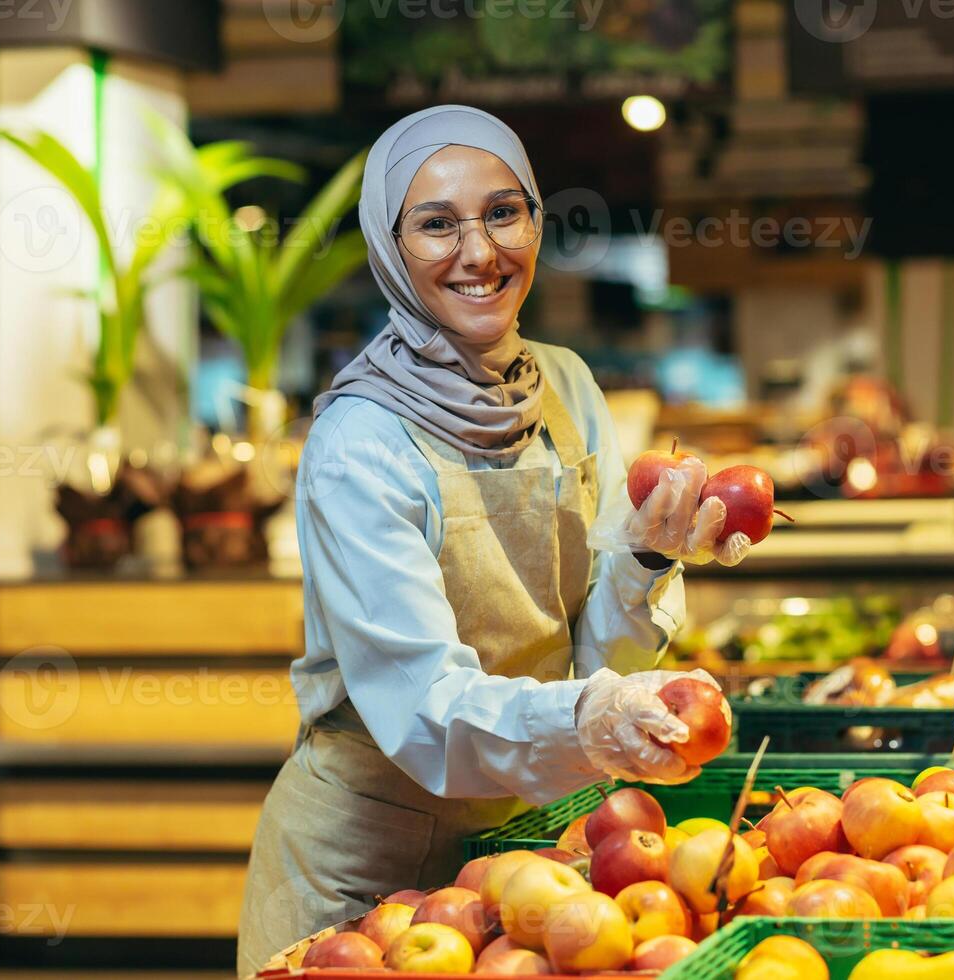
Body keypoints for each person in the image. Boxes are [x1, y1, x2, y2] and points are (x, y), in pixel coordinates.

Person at [237, 105, 751, 976]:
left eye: (502, 213)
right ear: (390, 247)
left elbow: (598, 656)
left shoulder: (569, 388)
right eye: (435, 224)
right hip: (365, 865)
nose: (479, 253)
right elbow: (425, 713)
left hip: (532, 845)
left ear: (537, 221)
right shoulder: (359, 441)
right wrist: (590, 720)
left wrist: (649, 560)